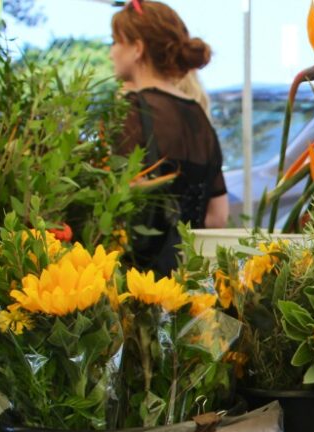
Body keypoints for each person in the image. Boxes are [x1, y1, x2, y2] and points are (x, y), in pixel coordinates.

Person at [110, 0, 228, 275]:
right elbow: (217, 217)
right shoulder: (198, 114)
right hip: (190, 279)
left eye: (115, 42)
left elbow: (118, 203)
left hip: (139, 280)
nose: (111, 52)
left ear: (137, 48)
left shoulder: (132, 111)